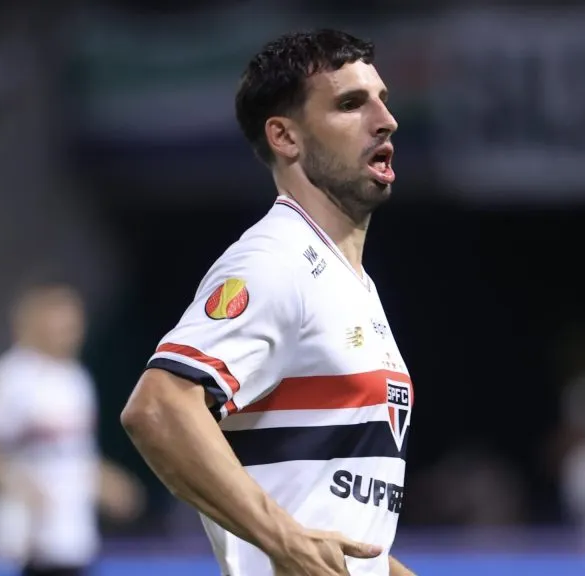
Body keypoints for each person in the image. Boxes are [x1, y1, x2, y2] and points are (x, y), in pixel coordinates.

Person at [120, 29, 416, 576]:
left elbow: (337, 531)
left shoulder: (348, 282)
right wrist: (284, 541)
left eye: (383, 100)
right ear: (284, 136)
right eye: (351, 104)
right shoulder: (275, 261)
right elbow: (158, 406)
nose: (386, 120)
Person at [0, 279, 144, 576]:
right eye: (61, 322)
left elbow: (69, 455)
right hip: (30, 545)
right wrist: (17, 484)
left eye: (74, 322)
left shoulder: (74, 378)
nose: (71, 331)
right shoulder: (10, 378)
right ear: (35, 322)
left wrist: (106, 481)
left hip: (74, 540)